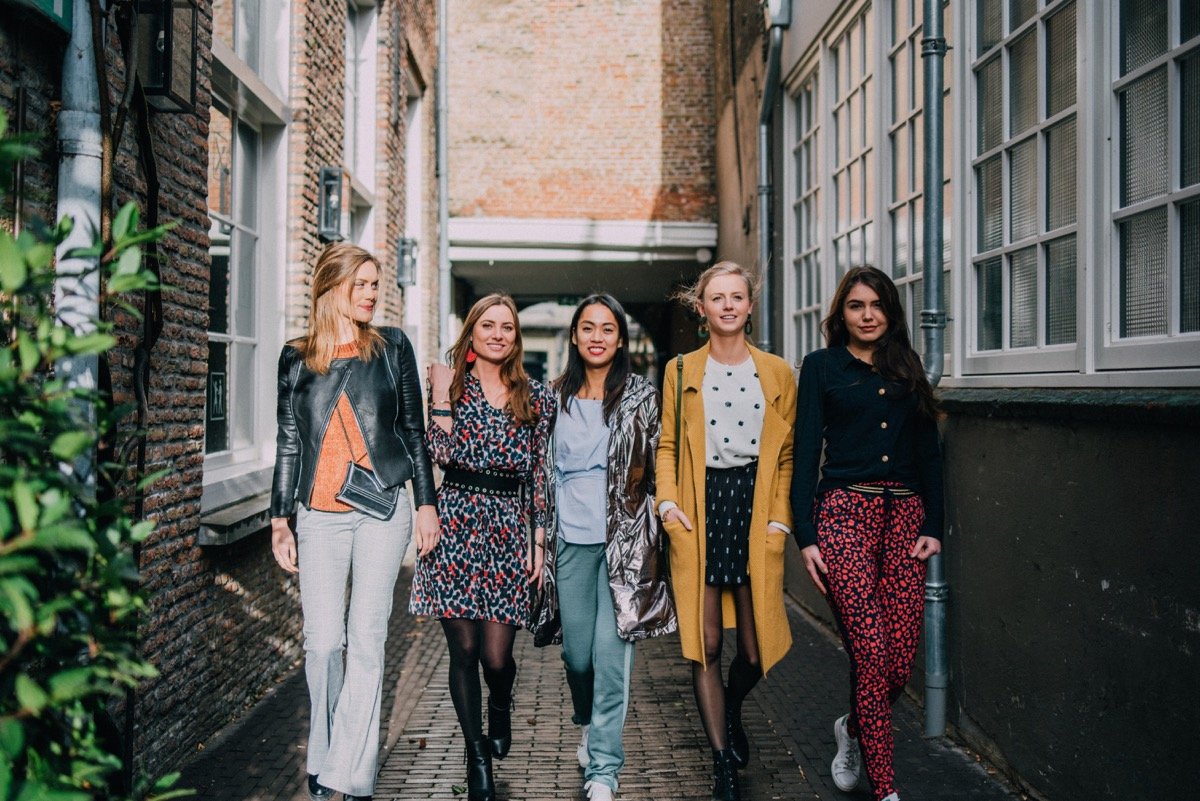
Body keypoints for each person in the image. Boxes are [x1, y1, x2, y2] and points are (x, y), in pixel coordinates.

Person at [269, 242, 440, 801]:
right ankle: (325, 756)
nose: (370, 294)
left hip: (383, 509)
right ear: (330, 286)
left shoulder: (392, 347)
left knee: (366, 641)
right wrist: (279, 517)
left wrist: (426, 503)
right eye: (359, 284)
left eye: (374, 284)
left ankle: (351, 775)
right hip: (319, 515)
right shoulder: (296, 357)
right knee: (323, 643)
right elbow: (289, 440)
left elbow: (413, 430)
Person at [789, 266, 943, 801]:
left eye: (877, 305)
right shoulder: (821, 367)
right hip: (843, 518)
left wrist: (933, 524)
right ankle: (886, 789)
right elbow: (806, 452)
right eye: (857, 305)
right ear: (843, 313)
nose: (868, 315)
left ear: (891, 312)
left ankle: (851, 728)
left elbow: (928, 452)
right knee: (871, 652)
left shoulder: (907, 366)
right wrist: (806, 535)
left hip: (904, 521)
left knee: (898, 663)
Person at [655, 261, 797, 801]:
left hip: (754, 507)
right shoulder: (681, 370)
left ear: (749, 305)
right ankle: (722, 766)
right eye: (718, 297)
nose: (728, 305)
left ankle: (732, 706)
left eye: (737, 296)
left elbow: (786, 455)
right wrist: (668, 504)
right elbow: (668, 445)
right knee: (707, 644)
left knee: (755, 653)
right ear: (702, 308)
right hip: (700, 505)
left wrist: (780, 518)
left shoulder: (778, 372)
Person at [408, 293, 554, 801]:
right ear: (471, 332)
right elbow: (440, 453)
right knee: (464, 650)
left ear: (516, 337)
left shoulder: (535, 396)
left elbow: (540, 474)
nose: (497, 334)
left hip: (508, 528)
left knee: (496, 658)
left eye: (506, 327)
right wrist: (440, 396)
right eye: (487, 325)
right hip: (455, 524)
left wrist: (539, 540)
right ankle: (477, 759)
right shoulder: (450, 387)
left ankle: (500, 701)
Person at [542, 294, 676, 801]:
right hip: (570, 541)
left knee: (611, 657)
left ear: (620, 339)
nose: (596, 337)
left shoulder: (641, 395)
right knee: (577, 657)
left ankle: (604, 770)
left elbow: (660, 461)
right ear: (575, 336)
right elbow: (540, 471)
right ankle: (588, 722)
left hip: (626, 543)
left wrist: (665, 512)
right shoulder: (553, 396)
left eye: (607, 328)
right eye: (588, 327)